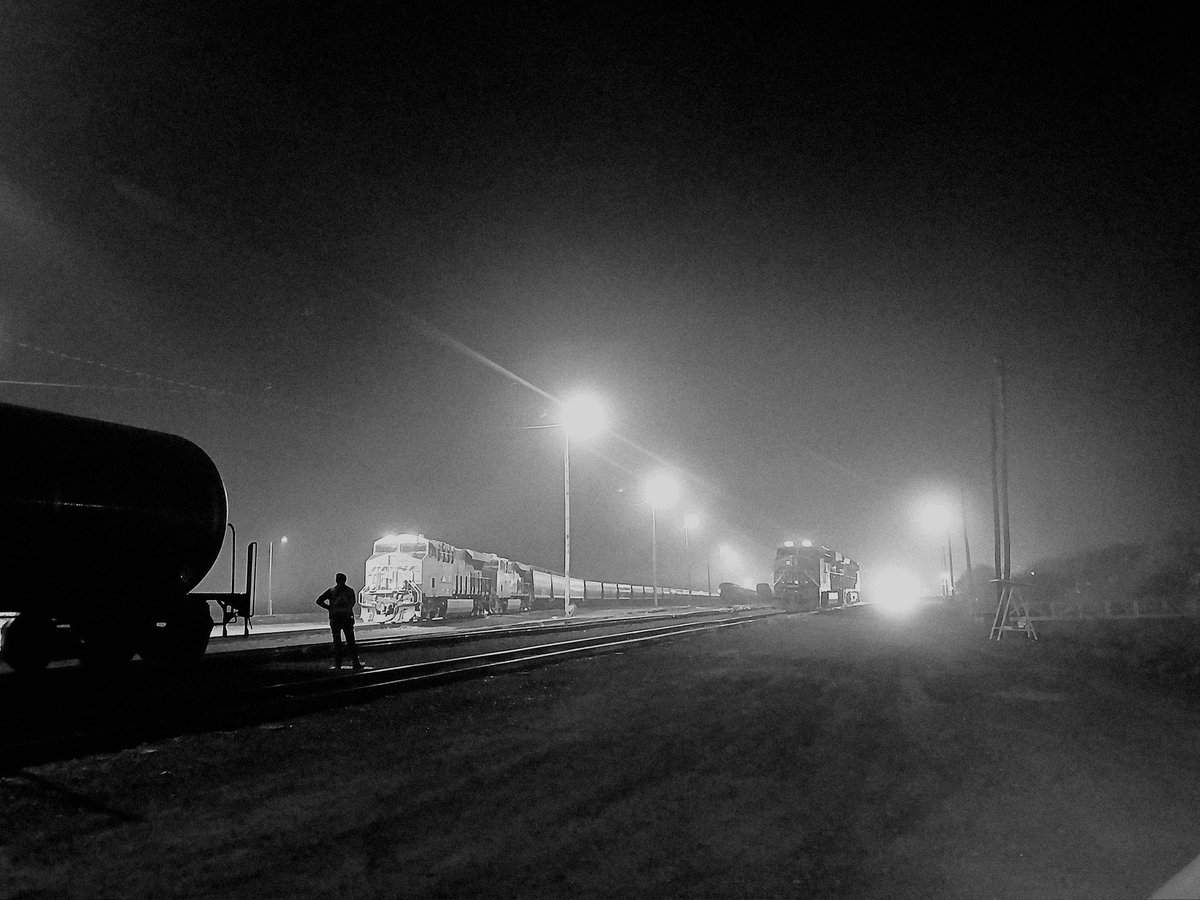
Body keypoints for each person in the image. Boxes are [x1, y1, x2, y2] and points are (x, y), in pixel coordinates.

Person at [316, 573, 365, 670]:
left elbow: (319, 601)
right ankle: (355, 663)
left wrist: (329, 608)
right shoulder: (350, 591)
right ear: (345, 580)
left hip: (335, 619)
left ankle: (338, 664)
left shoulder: (331, 591)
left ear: (336, 580)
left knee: (337, 643)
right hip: (347, 618)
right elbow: (352, 603)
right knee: (351, 642)